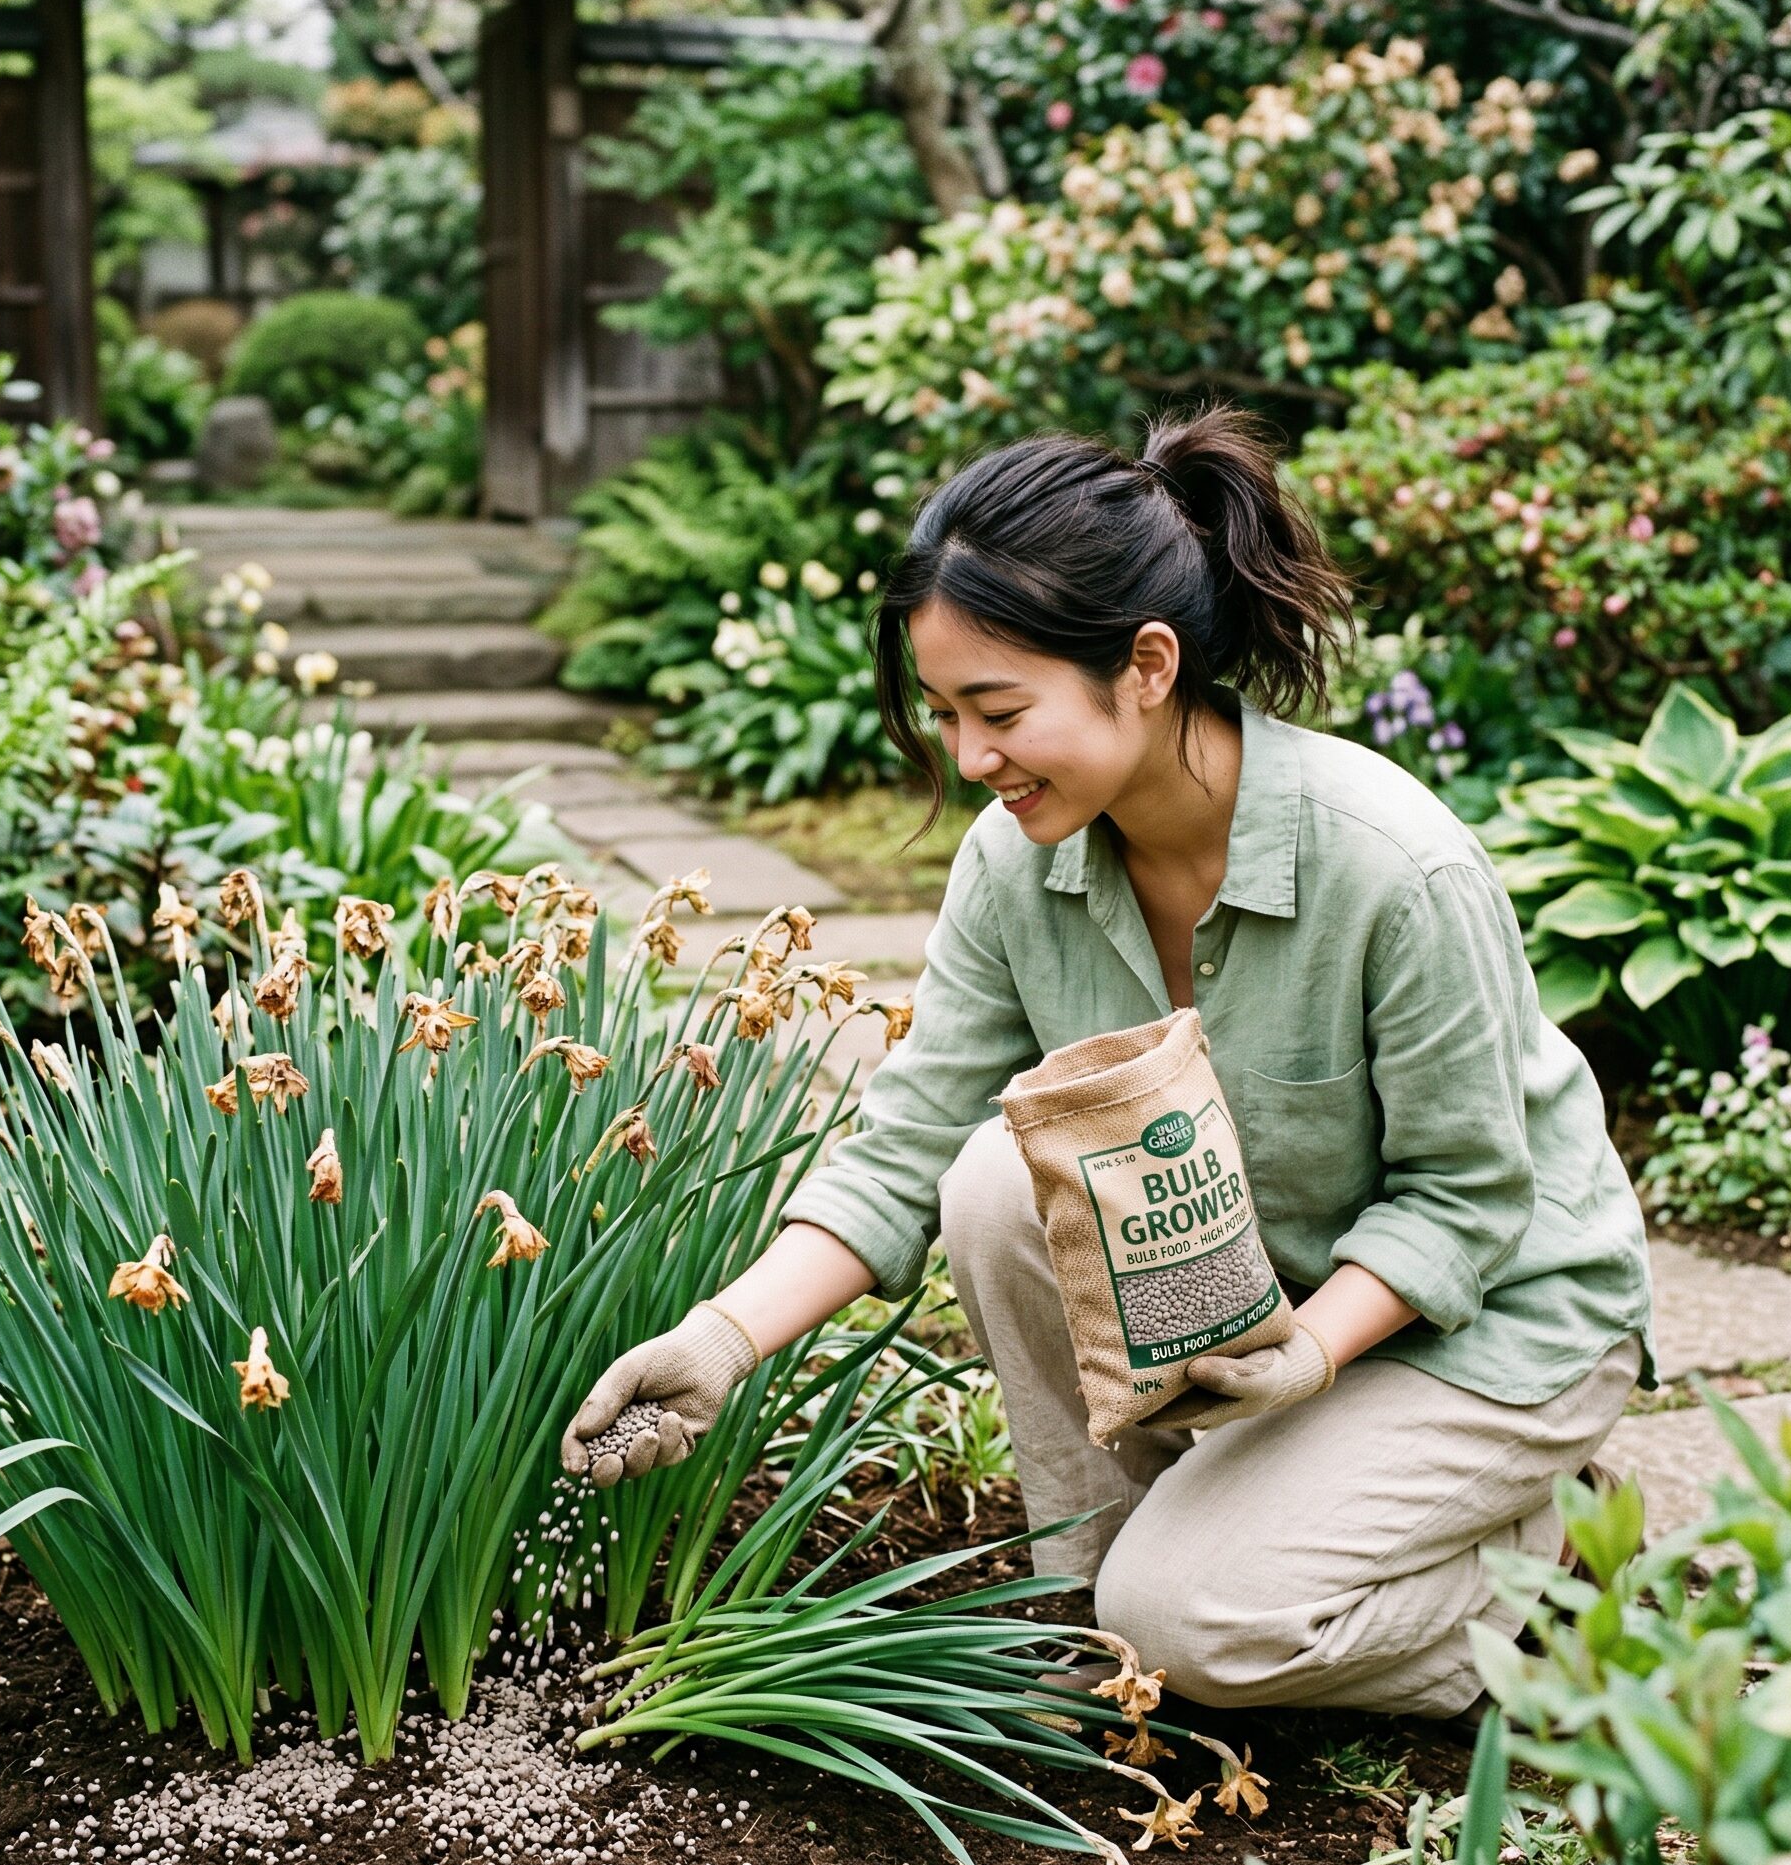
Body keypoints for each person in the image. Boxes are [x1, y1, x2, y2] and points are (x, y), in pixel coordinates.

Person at [559, 406, 1656, 1720]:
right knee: (992, 1178)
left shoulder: (1390, 868)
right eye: (945, 714)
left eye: (999, 710)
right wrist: (720, 1341)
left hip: (1488, 1325)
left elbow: (1468, 1199)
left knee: (1201, 1626)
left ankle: (1547, 1570)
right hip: (1262, 1299)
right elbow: (907, 1147)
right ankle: (1098, 1610)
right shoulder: (1015, 866)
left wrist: (1311, 1356)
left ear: (1147, 664)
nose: (971, 758)